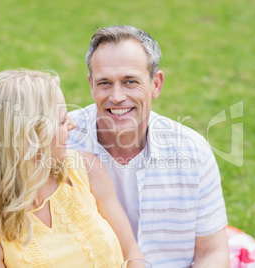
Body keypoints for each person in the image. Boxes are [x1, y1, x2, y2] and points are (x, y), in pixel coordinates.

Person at [67, 25, 230, 267]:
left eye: (130, 81)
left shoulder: (193, 151)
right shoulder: (62, 142)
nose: (117, 96)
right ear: (91, 84)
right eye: (105, 83)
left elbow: (212, 252)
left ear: (156, 84)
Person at [0, 70, 145, 267]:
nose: (71, 124)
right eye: (62, 121)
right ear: (29, 136)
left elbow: (132, 253)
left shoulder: (86, 170)